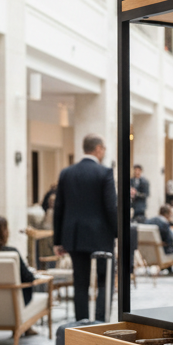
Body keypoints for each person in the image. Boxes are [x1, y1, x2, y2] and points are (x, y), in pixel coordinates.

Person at [53, 134, 117, 321]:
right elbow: (110, 208)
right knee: (104, 282)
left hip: (74, 236)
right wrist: (117, 233)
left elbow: (59, 208)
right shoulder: (104, 173)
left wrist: (58, 240)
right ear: (98, 149)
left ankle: (82, 326)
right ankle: (99, 322)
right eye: (103, 148)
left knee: (80, 284)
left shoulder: (67, 173)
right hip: (101, 236)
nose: (104, 152)